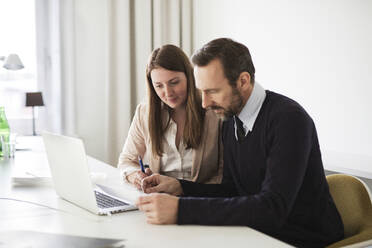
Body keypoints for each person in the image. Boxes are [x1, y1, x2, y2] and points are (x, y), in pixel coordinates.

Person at [136, 38, 344, 248]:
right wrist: (181, 187)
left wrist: (181, 210)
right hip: (259, 233)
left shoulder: (289, 120)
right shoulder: (232, 119)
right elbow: (232, 190)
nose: (205, 103)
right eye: (201, 92)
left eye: (213, 91)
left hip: (303, 238)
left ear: (243, 81)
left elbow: (272, 208)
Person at [118, 44, 223, 190]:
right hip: (159, 196)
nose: (168, 93)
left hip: (201, 198)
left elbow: (222, 175)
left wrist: (185, 192)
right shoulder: (145, 112)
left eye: (174, 82)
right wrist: (136, 175)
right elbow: (127, 161)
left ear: (189, 76)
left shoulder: (213, 113)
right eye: (159, 86)